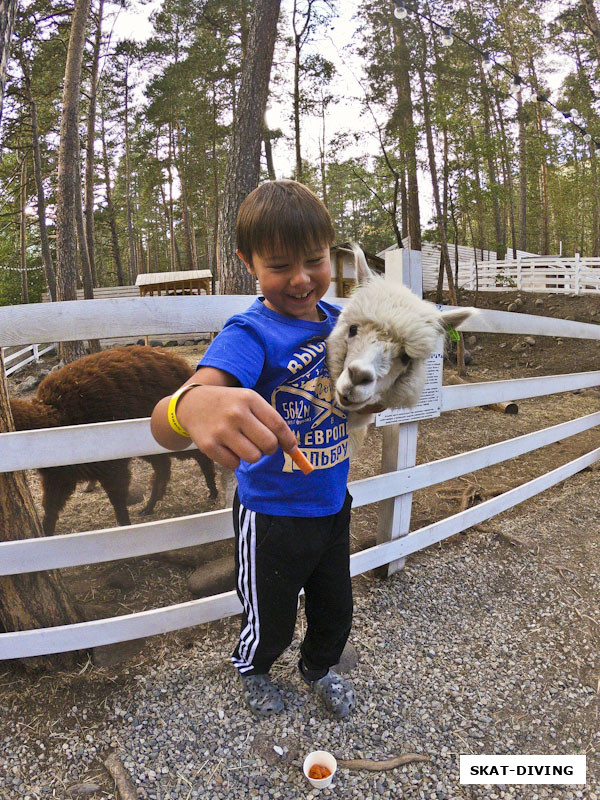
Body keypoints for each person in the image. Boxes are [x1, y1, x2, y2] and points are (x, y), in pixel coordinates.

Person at [151, 180, 355, 719]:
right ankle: (255, 669)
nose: (301, 279)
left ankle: (318, 667)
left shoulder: (342, 325)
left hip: (333, 500)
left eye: (314, 260)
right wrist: (189, 407)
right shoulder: (249, 333)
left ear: (330, 252)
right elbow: (165, 424)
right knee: (271, 616)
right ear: (249, 262)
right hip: (271, 514)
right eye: (280, 265)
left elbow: (358, 405)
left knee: (336, 609)